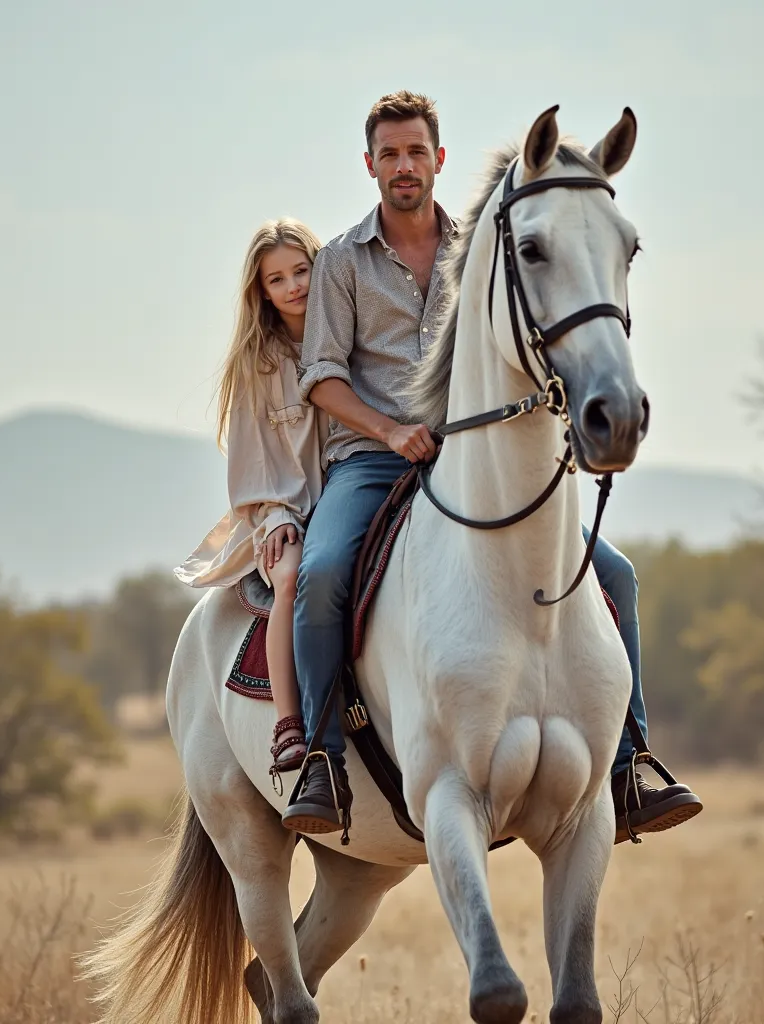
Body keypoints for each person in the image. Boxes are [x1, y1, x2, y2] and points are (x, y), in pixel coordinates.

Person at [280, 91, 700, 843]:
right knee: (324, 571)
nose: (403, 166)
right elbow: (322, 376)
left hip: (471, 460)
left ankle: (630, 762)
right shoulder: (342, 260)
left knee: (619, 574)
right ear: (369, 165)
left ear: (438, 161)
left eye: (416, 152)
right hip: (374, 463)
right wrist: (391, 429)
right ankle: (321, 753)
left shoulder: (486, 242)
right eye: (389, 154)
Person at [175, 218, 327, 779]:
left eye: (301, 271)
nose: (293, 287)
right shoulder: (259, 365)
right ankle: (291, 724)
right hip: (285, 506)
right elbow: (254, 462)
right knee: (290, 575)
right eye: (277, 279)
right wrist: (277, 518)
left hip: (359, 490)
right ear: (260, 292)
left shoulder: (349, 339)